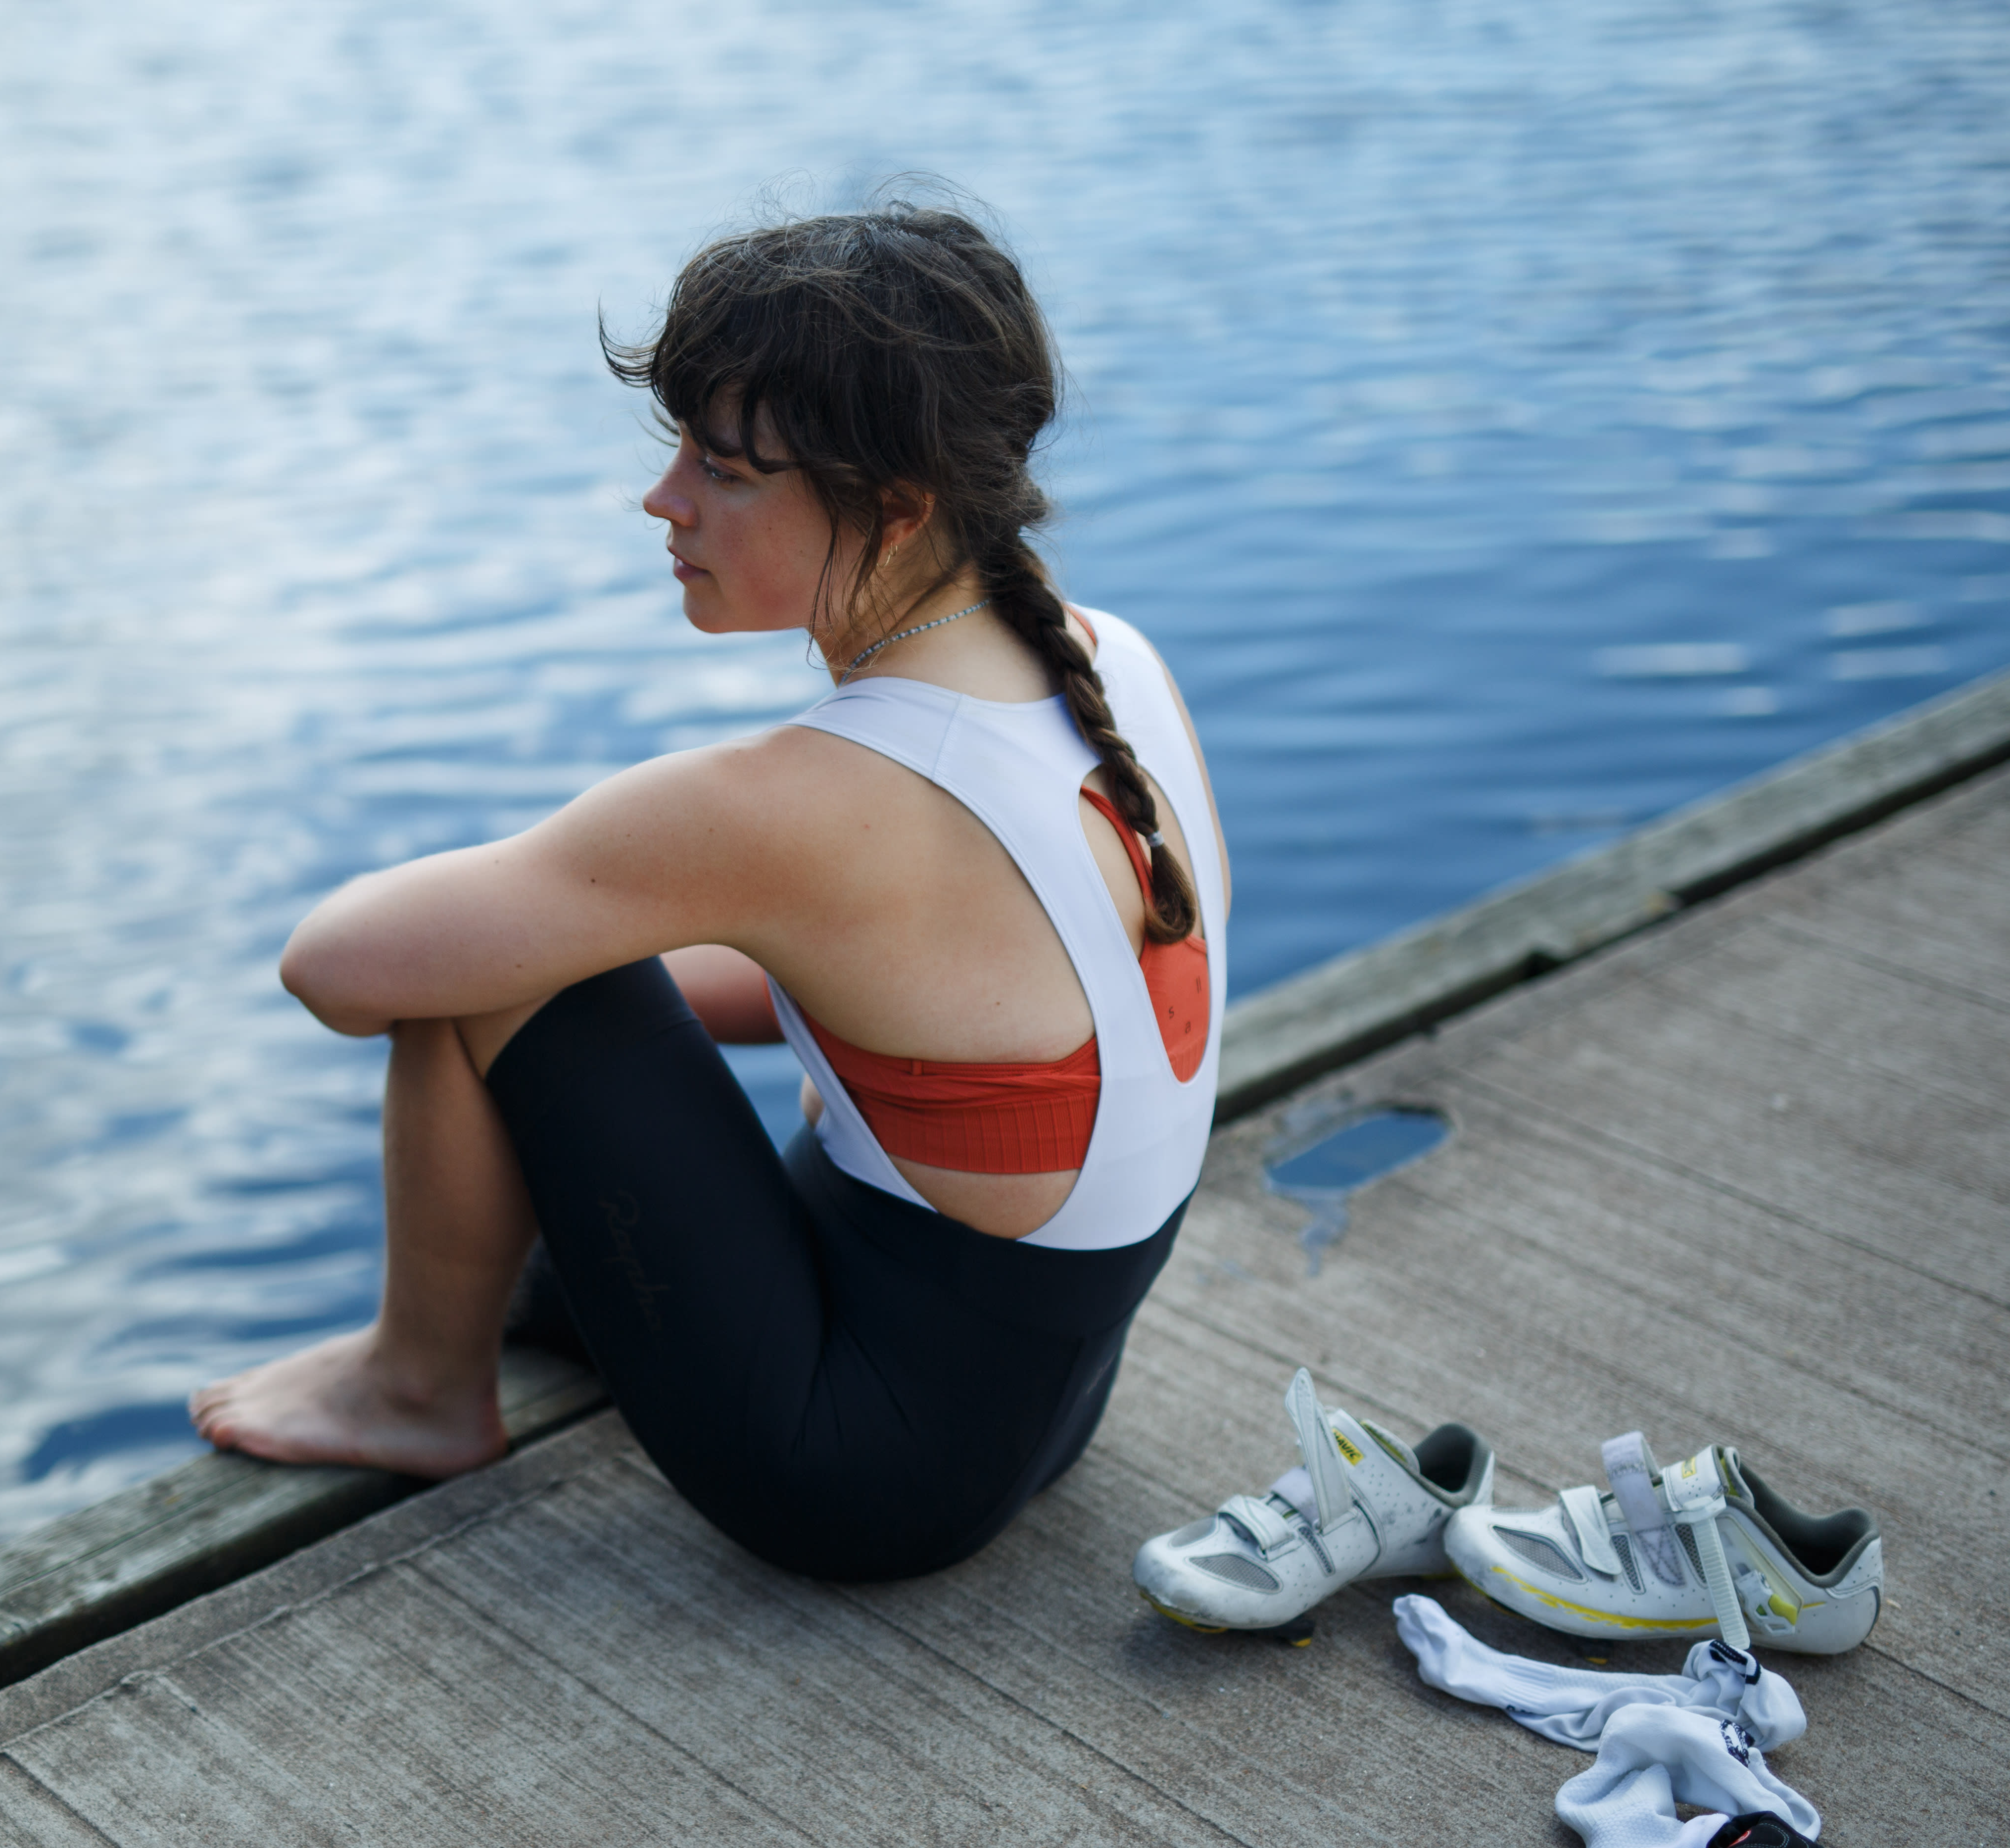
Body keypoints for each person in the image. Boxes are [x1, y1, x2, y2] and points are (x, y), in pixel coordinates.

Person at [190, 198, 1231, 1582]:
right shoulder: (1113, 667)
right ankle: (449, 1324)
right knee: (545, 981)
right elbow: (952, 1008)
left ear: (899, 506)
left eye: (728, 472)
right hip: (1043, 1398)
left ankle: (417, 1389)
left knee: (496, 966)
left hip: (861, 1473)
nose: (665, 498)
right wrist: (627, 960)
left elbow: (335, 964)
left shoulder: (802, 800)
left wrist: (592, 931)